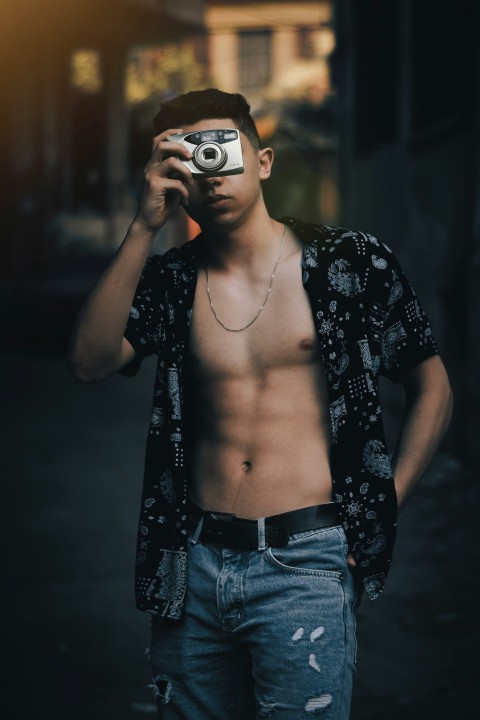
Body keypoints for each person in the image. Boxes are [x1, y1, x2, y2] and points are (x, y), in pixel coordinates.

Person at [68, 88, 453, 719]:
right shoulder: (173, 280)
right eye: (191, 158)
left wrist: (387, 503)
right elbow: (88, 362)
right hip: (192, 564)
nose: (209, 172)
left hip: (305, 562)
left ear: (264, 160)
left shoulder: (351, 263)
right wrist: (143, 226)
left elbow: (432, 385)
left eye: (222, 149)